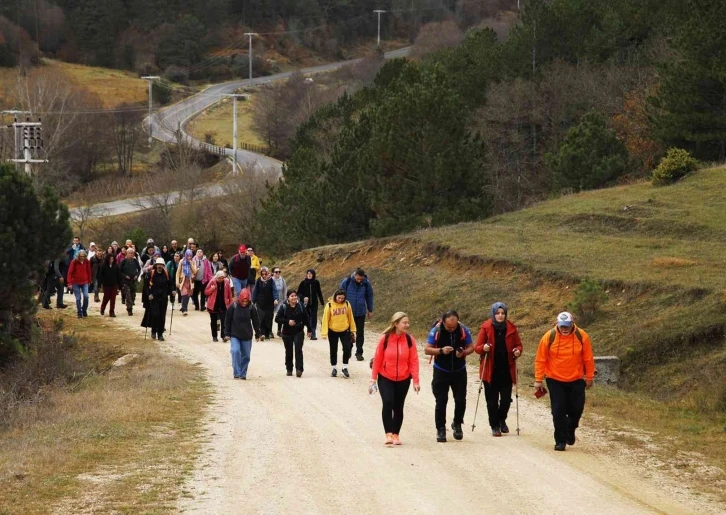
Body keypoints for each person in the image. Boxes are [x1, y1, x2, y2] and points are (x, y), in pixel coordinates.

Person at [534, 311, 595, 451]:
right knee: (558, 410)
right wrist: (538, 379)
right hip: (554, 379)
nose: (564, 329)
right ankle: (560, 440)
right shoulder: (549, 337)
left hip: (577, 379)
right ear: (557, 324)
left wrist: (590, 377)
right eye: (562, 326)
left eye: (567, 326)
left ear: (572, 323)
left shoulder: (582, 336)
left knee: (577, 409)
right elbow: (540, 359)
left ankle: (570, 428)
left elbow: (588, 358)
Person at [369, 312, 420, 445]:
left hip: (403, 378)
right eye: (404, 323)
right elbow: (378, 359)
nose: (407, 325)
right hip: (386, 377)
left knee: (398, 406)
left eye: (408, 322)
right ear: (396, 324)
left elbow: (414, 360)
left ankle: (396, 435)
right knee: (388, 402)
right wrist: (373, 379)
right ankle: (388, 434)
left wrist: (416, 380)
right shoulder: (385, 339)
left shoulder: (410, 340)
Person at [425, 310, 475, 442]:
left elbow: (471, 347)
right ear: (443, 322)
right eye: (449, 327)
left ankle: (457, 424)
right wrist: (441, 351)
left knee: (460, 400)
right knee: (441, 401)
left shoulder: (463, 329)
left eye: (454, 326)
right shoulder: (437, 330)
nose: (452, 329)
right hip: (441, 371)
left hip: (459, 370)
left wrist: (463, 352)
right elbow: (427, 349)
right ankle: (441, 429)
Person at [474, 302, 523, 437]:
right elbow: (477, 348)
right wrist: (484, 348)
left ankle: (502, 419)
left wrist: (517, 351)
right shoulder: (486, 328)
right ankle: (494, 425)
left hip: (507, 370)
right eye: (498, 313)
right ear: (493, 314)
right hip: (490, 370)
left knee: (506, 399)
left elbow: (519, 345)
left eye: (502, 313)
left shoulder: (511, 328)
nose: (500, 316)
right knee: (492, 400)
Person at [224, 289, 262, 380]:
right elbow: (227, 320)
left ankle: (243, 373)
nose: (244, 303)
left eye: (246, 301)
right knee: (235, 351)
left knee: (246, 356)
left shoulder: (251, 307)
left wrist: (258, 333)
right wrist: (227, 333)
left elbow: (256, 321)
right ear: (240, 298)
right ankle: (236, 372)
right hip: (235, 334)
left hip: (247, 335)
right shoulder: (233, 306)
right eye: (243, 301)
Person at [321, 289, 356, 378]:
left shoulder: (347, 304)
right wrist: (324, 333)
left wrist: (353, 329)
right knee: (333, 350)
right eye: (339, 298)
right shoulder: (329, 305)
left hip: (345, 330)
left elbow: (350, 317)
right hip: (333, 330)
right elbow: (325, 319)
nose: (340, 300)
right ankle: (334, 368)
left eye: (342, 298)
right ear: (335, 296)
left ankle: (345, 367)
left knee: (347, 348)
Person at [275, 291, 311, 377]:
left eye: (295, 296)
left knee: (298, 350)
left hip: (298, 331)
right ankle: (289, 368)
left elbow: (306, 318)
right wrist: (288, 321)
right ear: (288, 298)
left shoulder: (301, 306)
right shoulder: (283, 307)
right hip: (287, 333)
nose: (294, 297)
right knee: (289, 351)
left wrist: (309, 329)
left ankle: (299, 369)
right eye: (292, 296)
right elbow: (277, 319)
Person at [341, 268, 374, 360]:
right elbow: (340, 295)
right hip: (348, 312)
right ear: (355, 275)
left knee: (360, 333)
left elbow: (369, 296)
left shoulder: (366, 283)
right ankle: (348, 350)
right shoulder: (346, 282)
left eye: (361, 279)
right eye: (358, 278)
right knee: (348, 332)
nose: (359, 280)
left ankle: (359, 352)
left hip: (360, 312)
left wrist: (370, 310)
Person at [141, 258, 175, 341]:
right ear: (156, 265)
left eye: (161, 265)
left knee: (162, 316)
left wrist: (172, 291)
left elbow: (171, 284)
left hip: (163, 298)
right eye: (158, 264)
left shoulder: (166, 274)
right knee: (155, 315)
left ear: (163, 266)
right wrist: (149, 294)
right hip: (154, 298)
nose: (160, 266)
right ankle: (153, 331)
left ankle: (160, 334)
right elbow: (146, 285)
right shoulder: (151, 273)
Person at [205, 271, 234, 342]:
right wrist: (212, 288)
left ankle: (223, 336)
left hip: (223, 305)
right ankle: (214, 336)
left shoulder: (227, 282)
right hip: (213, 305)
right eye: (219, 278)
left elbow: (230, 293)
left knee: (224, 321)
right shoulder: (212, 281)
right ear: (217, 277)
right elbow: (206, 292)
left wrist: (231, 303)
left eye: (222, 278)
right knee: (213, 321)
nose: (221, 279)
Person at [297, 269, 324, 340]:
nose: (309, 275)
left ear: (313, 275)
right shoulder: (303, 283)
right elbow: (298, 293)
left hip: (314, 303)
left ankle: (313, 333)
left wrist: (322, 302)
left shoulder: (316, 282)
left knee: (313, 318)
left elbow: (319, 292)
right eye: (308, 273)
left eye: (311, 274)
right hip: (305, 304)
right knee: (305, 318)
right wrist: (303, 298)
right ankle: (303, 332)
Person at [252, 267, 279, 339]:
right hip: (260, 303)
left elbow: (274, 290)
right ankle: (261, 333)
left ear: (268, 273)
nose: (264, 276)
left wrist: (276, 299)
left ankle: (269, 332)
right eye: (262, 274)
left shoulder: (271, 281)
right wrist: (253, 301)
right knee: (261, 317)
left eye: (265, 274)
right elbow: (255, 291)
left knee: (269, 317)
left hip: (269, 303)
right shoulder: (258, 280)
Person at [67, 249, 92, 318]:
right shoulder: (74, 262)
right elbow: (70, 273)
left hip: (85, 282)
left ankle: (84, 310)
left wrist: (89, 280)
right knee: (78, 298)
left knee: (86, 296)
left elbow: (89, 271)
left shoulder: (87, 262)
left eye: (83, 256)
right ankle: (79, 312)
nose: (82, 258)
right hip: (75, 282)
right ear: (78, 256)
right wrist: (69, 283)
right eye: (81, 256)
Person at [119, 247, 141, 316]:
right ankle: (129, 309)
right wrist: (125, 276)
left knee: (133, 295)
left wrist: (137, 275)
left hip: (133, 281)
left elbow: (139, 269)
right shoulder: (123, 261)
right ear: (127, 254)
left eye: (132, 253)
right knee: (128, 295)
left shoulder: (135, 261)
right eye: (129, 253)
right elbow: (119, 271)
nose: (131, 255)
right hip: (125, 281)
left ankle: (130, 305)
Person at [98, 252, 121, 317]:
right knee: (106, 298)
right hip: (106, 285)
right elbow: (100, 276)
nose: (111, 260)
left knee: (113, 299)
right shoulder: (103, 266)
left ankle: (112, 312)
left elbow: (118, 276)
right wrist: (100, 285)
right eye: (110, 259)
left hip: (114, 284)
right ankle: (102, 308)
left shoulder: (116, 266)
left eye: (112, 259)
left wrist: (119, 285)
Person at [176, 250, 197, 316]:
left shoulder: (193, 262)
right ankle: (184, 309)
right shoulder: (182, 261)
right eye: (188, 256)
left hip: (190, 280)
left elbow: (195, 271)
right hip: (183, 280)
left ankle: (184, 307)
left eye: (190, 256)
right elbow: (178, 272)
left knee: (188, 295)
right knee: (184, 294)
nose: (189, 257)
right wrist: (177, 282)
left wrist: (191, 264)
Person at [271, 267, 288, 337]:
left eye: (279, 272)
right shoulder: (270, 280)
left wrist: (285, 299)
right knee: (270, 316)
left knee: (280, 315)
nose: (278, 273)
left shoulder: (282, 280)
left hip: (280, 300)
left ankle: (279, 330)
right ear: (273, 273)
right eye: (276, 272)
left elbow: (285, 290)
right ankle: (269, 331)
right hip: (272, 300)